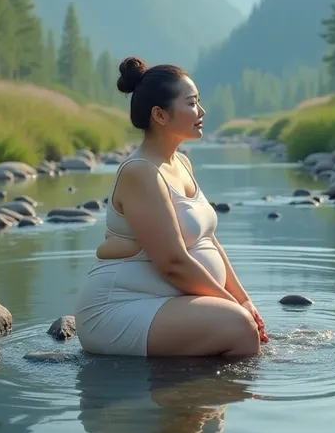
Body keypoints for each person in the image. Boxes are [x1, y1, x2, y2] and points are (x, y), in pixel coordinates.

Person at [75, 56, 268, 357]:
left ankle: (193, 399)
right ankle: (180, 398)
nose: (201, 111)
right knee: (240, 328)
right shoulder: (140, 172)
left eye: (198, 102)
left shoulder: (181, 163)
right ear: (160, 115)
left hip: (165, 305)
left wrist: (244, 300)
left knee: (242, 322)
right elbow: (173, 263)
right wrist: (233, 307)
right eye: (191, 103)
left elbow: (208, 240)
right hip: (119, 310)